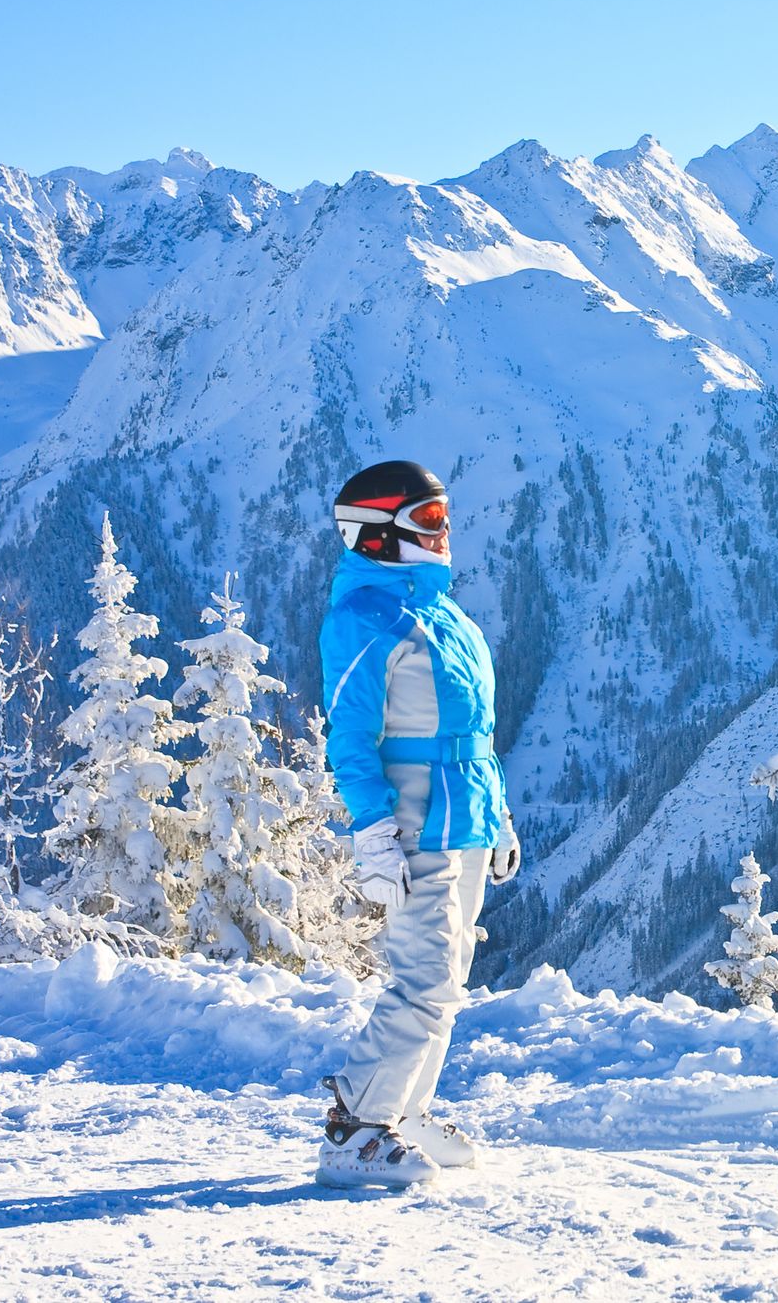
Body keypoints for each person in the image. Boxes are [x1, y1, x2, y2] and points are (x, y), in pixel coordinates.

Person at [315, 459, 522, 1188]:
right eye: (427, 521)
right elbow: (350, 739)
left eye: (444, 518)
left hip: (462, 818)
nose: (445, 534)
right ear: (376, 533)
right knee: (423, 980)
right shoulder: (363, 619)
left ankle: (401, 1109)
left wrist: (496, 816)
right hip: (412, 825)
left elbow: (474, 730)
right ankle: (356, 1126)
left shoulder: (445, 617)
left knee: (448, 979)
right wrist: (372, 834)